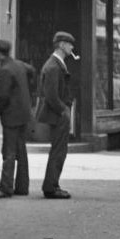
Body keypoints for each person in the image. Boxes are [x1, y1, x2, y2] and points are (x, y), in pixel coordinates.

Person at [0, 39, 36, 198]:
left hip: (11, 115)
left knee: (8, 151)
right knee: (20, 151)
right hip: (23, 113)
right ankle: (22, 186)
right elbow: (32, 71)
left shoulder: (4, 71)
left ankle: (5, 187)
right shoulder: (19, 65)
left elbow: (2, 96)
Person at [37, 31, 76, 198]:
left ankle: (52, 184)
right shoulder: (54, 66)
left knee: (59, 150)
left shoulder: (56, 64)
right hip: (58, 115)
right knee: (59, 150)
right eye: (69, 44)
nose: (72, 47)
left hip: (58, 113)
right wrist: (64, 111)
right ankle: (51, 187)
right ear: (61, 44)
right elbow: (51, 95)